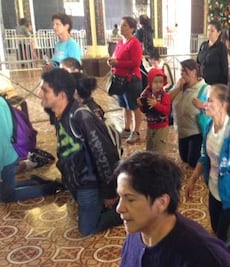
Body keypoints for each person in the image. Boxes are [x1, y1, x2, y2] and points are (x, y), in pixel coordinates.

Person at [38, 68, 122, 236]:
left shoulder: (81, 117)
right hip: (75, 181)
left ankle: (128, 209)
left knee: (87, 229)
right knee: (85, 214)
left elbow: (104, 155)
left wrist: (109, 192)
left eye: (45, 90)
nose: (40, 94)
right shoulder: (59, 114)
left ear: (61, 95)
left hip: (89, 184)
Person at [186, 84, 230, 241]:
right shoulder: (209, 125)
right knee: (214, 227)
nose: (205, 104)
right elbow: (204, 154)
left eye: (210, 101)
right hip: (214, 188)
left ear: (223, 104)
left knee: (223, 237)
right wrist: (193, 178)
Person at [108, 16, 143, 144]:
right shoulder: (120, 42)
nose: (121, 28)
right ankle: (127, 128)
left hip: (131, 80)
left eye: (125, 26)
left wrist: (118, 62)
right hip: (119, 79)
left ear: (132, 28)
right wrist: (111, 61)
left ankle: (136, 131)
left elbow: (135, 62)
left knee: (133, 106)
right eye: (121, 25)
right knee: (124, 105)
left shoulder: (135, 43)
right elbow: (116, 56)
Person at [169, 59, 209, 168]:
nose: (181, 74)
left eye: (184, 71)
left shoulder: (205, 89)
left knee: (192, 162)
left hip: (195, 131)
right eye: (180, 71)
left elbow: (217, 107)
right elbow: (167, 99)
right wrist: (178, 88)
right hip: (182, 130)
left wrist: (204, 106)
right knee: (184, 158)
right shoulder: (179, 85)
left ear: (193, 72)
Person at [137, 68, 171, 153]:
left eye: (160, 82)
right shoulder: (147, 94)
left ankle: (160, 165)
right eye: (155, 82)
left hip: (161, 127)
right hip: (150, 126)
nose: (158, 85)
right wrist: (141, 105)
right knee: (150, 149)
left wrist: (156, 105)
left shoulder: (164, 95)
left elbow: (166, 111)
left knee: (160, 150)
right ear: (150, 82)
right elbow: (145, 111)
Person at [197, 20, 228, 85]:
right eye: (208, 30)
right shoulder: (203, 45)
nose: (209, 33)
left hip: (214, 84)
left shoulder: (221, 47)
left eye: (212, 31)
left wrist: (222, 87)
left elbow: (224, 69)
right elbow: (198, 62)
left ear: (218, 32)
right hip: (201, 82)